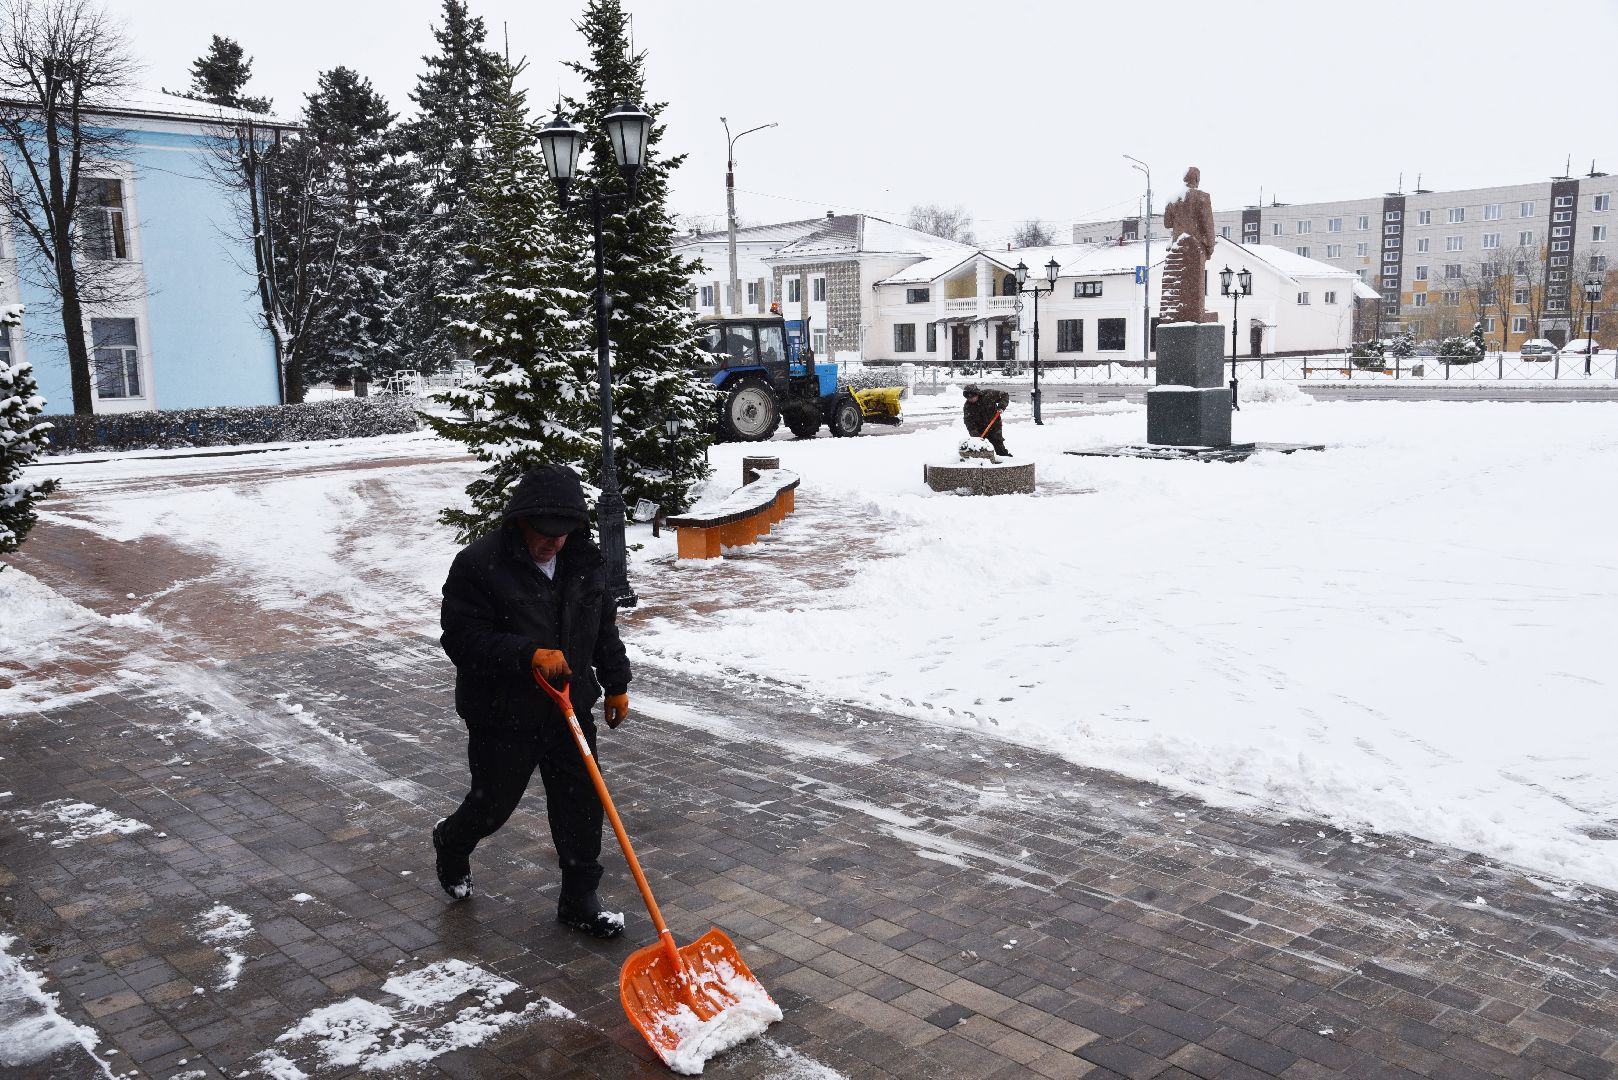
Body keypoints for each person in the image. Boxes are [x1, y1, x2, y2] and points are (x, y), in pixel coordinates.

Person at [434, 464, 633, 939]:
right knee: (493, 807)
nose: (554, 543)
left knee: (583, 805)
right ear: (520, 519)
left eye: (564, 533)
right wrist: (527, 656)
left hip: (569, 707)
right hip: (504, 713)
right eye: (545, 533)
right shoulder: (479, 564)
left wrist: (617, 681)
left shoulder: (583, 560)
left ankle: (579, 900)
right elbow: (461, 638)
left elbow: (602, 626)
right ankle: (452, 839)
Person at [962, 384, 1011, 457]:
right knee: (979, 448)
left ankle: (1005, 460)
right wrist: (975, 434)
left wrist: (1001, 406)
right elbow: (968, 421)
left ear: (977, 393)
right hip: (980, 429)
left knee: (998, 444)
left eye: (973, 397)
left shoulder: (989, 395)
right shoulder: (967, 406)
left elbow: (1004, 395)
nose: (971, 399)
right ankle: (983, 463)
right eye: (968, 398)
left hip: (994, 425)